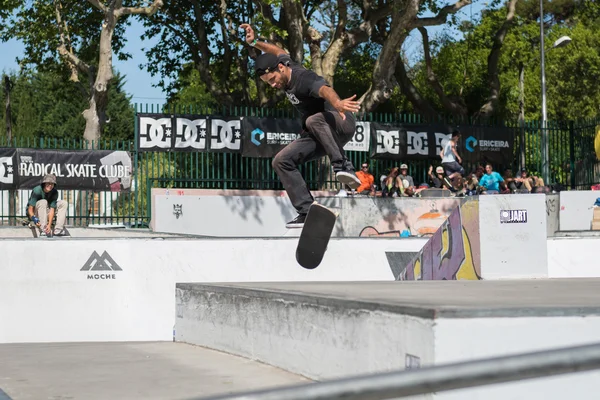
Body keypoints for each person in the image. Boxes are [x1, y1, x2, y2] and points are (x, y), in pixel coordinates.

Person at [240, 23, 362, 228]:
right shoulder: (284, 61)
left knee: (313, 119)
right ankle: (307, 211)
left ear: (280, 68)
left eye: (273, 80)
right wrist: (254, 42)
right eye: (267, 83)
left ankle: (344, 167)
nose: (273, 85)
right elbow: (277, 50)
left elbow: (324, 89)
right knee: (281, 160)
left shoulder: (302, 78)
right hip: (320, 135)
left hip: (340, 121)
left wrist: (338, 103)